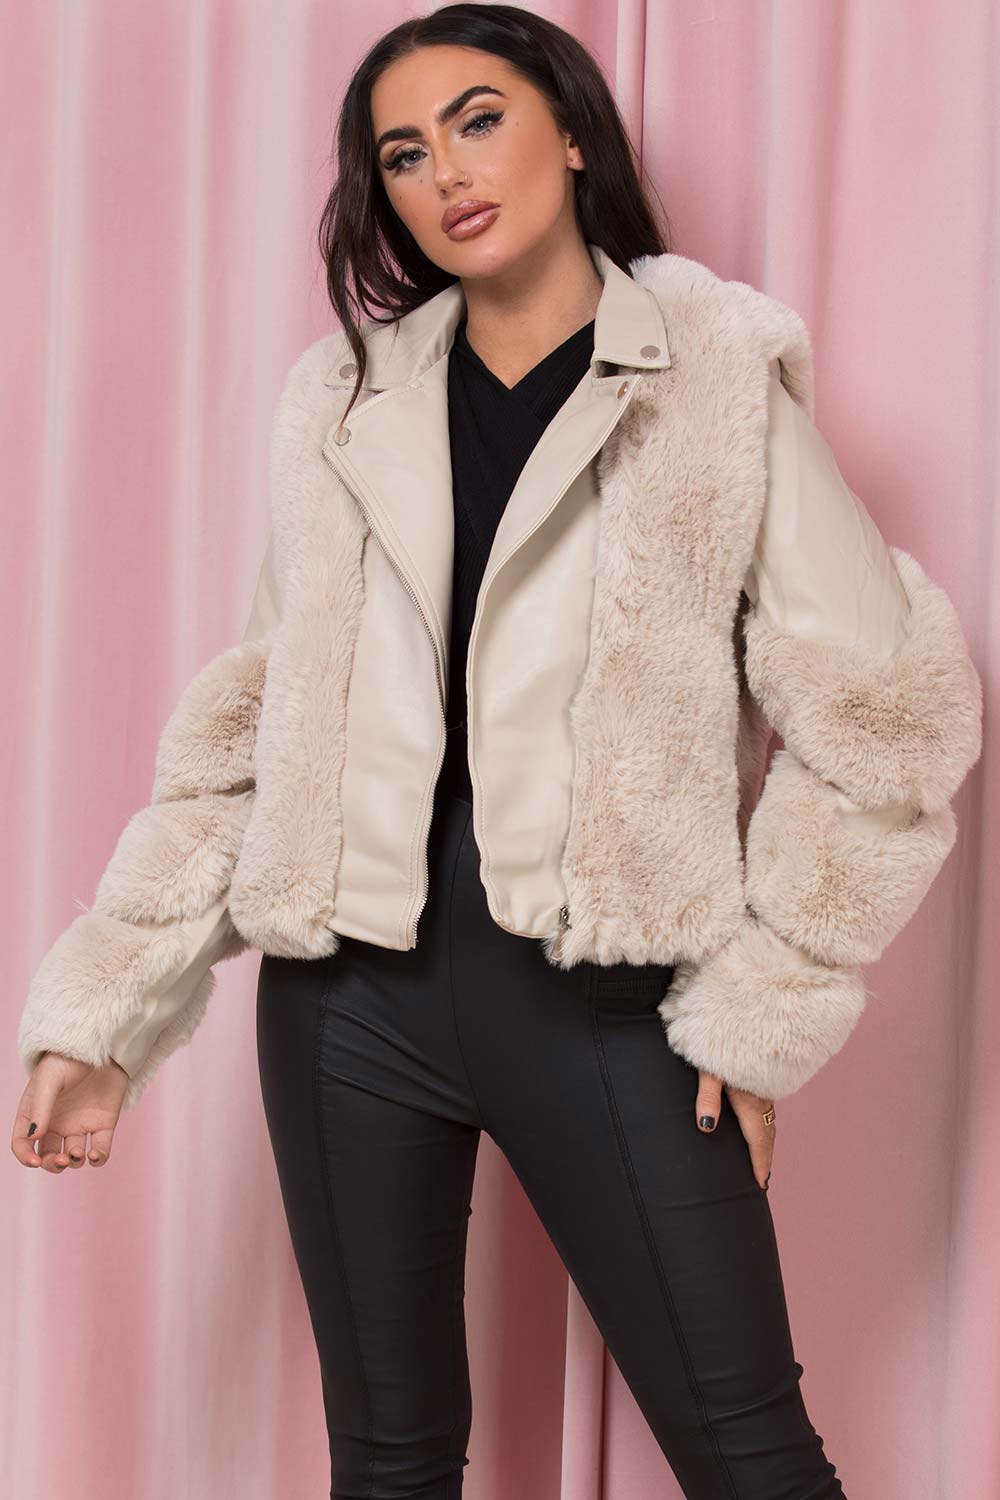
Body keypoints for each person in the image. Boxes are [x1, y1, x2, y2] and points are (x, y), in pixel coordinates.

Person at [12, 6, 983, 1498]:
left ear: (573, 132)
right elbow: (260, 729)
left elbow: (891, 718)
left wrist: (761, 1003)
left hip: (605, 1004)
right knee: (389, 1463)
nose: (447, 172)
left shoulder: (710, 373)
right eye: (404, 153)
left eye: (479, 120)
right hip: (346, 1003)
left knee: (753, 1460)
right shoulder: (345, 399)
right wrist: (107, 1015)